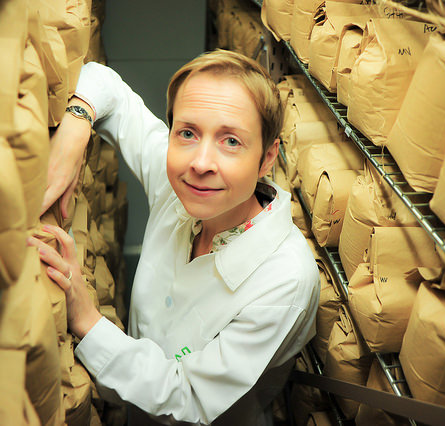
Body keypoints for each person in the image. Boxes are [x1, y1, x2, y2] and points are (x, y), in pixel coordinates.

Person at [29, 49, 320, 425]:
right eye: (187, 133)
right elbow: (104, 84)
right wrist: (74, 128)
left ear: (267, 157)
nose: (201, 163)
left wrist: (86, 319)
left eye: (231, 141)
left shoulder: (285, 278)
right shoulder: (181, 186)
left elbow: (189, 399)